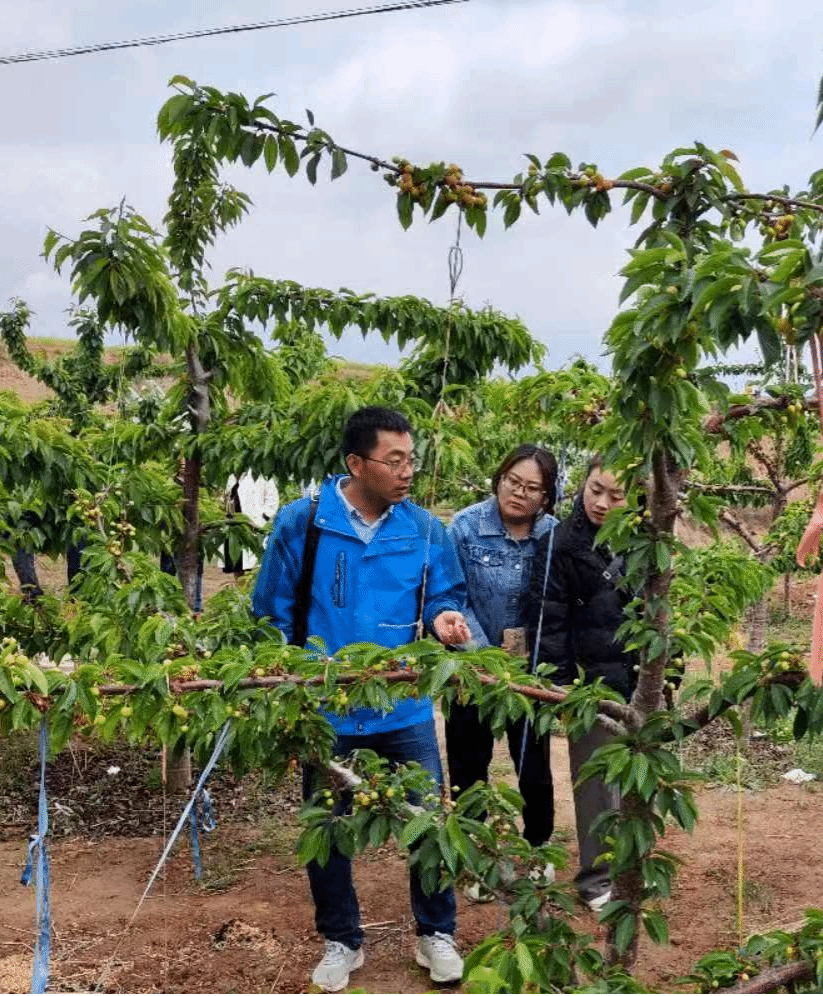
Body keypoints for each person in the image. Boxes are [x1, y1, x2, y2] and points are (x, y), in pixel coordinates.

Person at [250, 406, 470, 993]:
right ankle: (342, 939)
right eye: (394, 460)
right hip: (328, 711)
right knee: (328, 828)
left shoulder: (424, 528)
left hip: (404, 709)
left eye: (412, 459)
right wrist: (287, 681)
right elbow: (270, 611)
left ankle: (436, 932)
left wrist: (445, 620)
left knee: (428, 821)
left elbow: (444, 595)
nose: (407, 471)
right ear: (356, 463)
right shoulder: (304, 522)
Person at [444, 445, 559, 895]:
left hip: (530, 675)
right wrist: (484, 658)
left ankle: (537, 848)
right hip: (470, 670)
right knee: (468, 765)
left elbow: (556, 602)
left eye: (532, 488)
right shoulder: (465, 527)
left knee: (534, 765)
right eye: (513, 481)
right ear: (499, 478)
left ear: (546, 497)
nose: (519, 493)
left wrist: (538, 662)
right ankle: (475, 859)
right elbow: (452, 595)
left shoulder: (553, 535)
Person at [525, 455, 634, 912]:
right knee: (596, 785)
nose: (602, 503)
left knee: (637, 781)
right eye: (595, 490)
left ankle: (630, 869)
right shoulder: (561, 543)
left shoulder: (647, 542)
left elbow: (667, 612)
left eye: (616, 495)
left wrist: (666, 673)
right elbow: (548, 620)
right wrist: (562, 684)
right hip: (591, 685)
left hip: (637, 680)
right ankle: (597, 879)